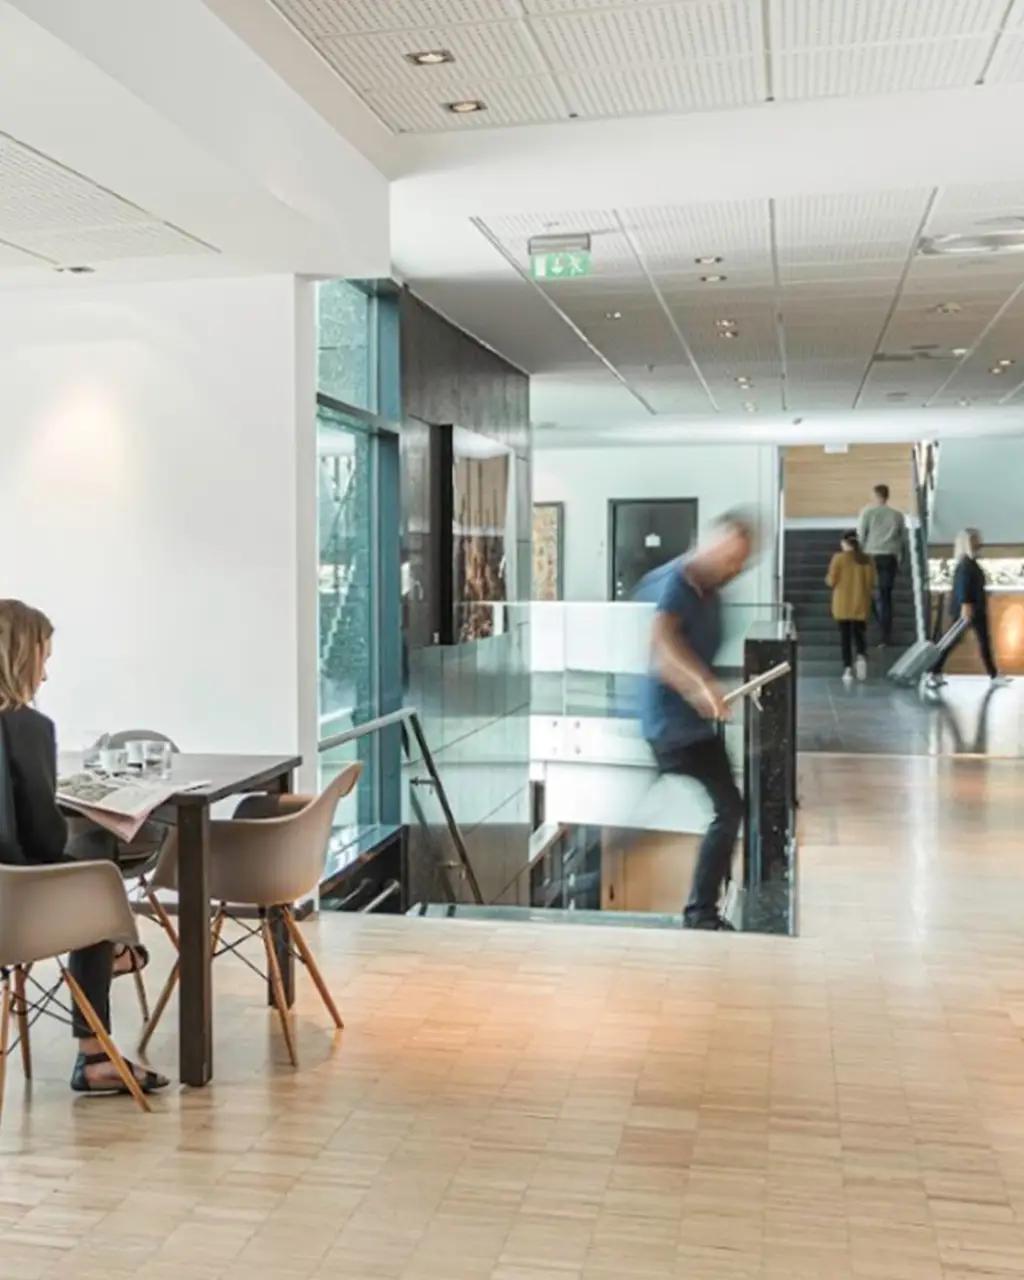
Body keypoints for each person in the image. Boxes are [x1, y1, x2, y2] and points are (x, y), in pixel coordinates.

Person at [0, 600, 169, 1096]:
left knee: (89, 866)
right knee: (95, 864)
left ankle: (117, 946)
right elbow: (43, 840)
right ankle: (96, 1052)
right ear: (18, 657)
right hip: (17, 912)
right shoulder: (28, 727)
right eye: (43, 658)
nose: (46, 675)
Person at [640, 511, 755, 930]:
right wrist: (700, 685)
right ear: (711, 544)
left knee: (728, 808)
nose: (735, 569)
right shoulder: (678, 582)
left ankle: (704, 907)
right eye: (731, 558)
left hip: (690, 727)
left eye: (740, 562)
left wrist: (715, 685)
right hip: (672, 728)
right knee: (728, 808)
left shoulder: (711, 593)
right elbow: (663, 645)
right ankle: (700, 912)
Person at [928, 529, 1011, 689]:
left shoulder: (970, 563)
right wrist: (966, 605)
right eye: (975, 540)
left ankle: (993, 674)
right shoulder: (965, 564)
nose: (979, 543)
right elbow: (963, 587)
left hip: (976, 609)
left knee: (981, 641)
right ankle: (933, 671)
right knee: (953, 641)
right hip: (968, 610)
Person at [857, 483, 906, 647]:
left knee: (868, 592)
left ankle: (874, 626)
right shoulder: (897, 515)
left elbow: (861, 535)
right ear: (887, 495)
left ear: (875, 495)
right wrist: (900, 559)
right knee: (886, 596)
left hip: (871, 556)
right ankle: (886, 635)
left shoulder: (867, 512)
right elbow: (901, 539)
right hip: (890, 557)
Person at [826, 530, 876, 683]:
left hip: (842, 605)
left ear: (845, 543)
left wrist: (828, 579)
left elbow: (831, 581)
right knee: (859, 634)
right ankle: (861, 657)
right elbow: (871, 583)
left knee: (845, 638)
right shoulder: (867, 559)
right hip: (861, 603)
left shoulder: (838, 559)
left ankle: (847, 669)